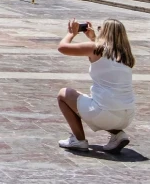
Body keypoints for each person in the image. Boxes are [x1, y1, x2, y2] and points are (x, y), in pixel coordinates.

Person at [57, 18, 135, 152]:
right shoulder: (125, 56)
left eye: (100, 29)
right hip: (127, 116)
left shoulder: (96, 48)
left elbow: (62, 48)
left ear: (105, 32)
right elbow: (103, 57)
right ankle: (118, 135)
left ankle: (78, 140)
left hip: (105, 113)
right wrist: (93, 38)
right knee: (100, 103)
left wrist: (71, 33)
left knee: (63, 94)